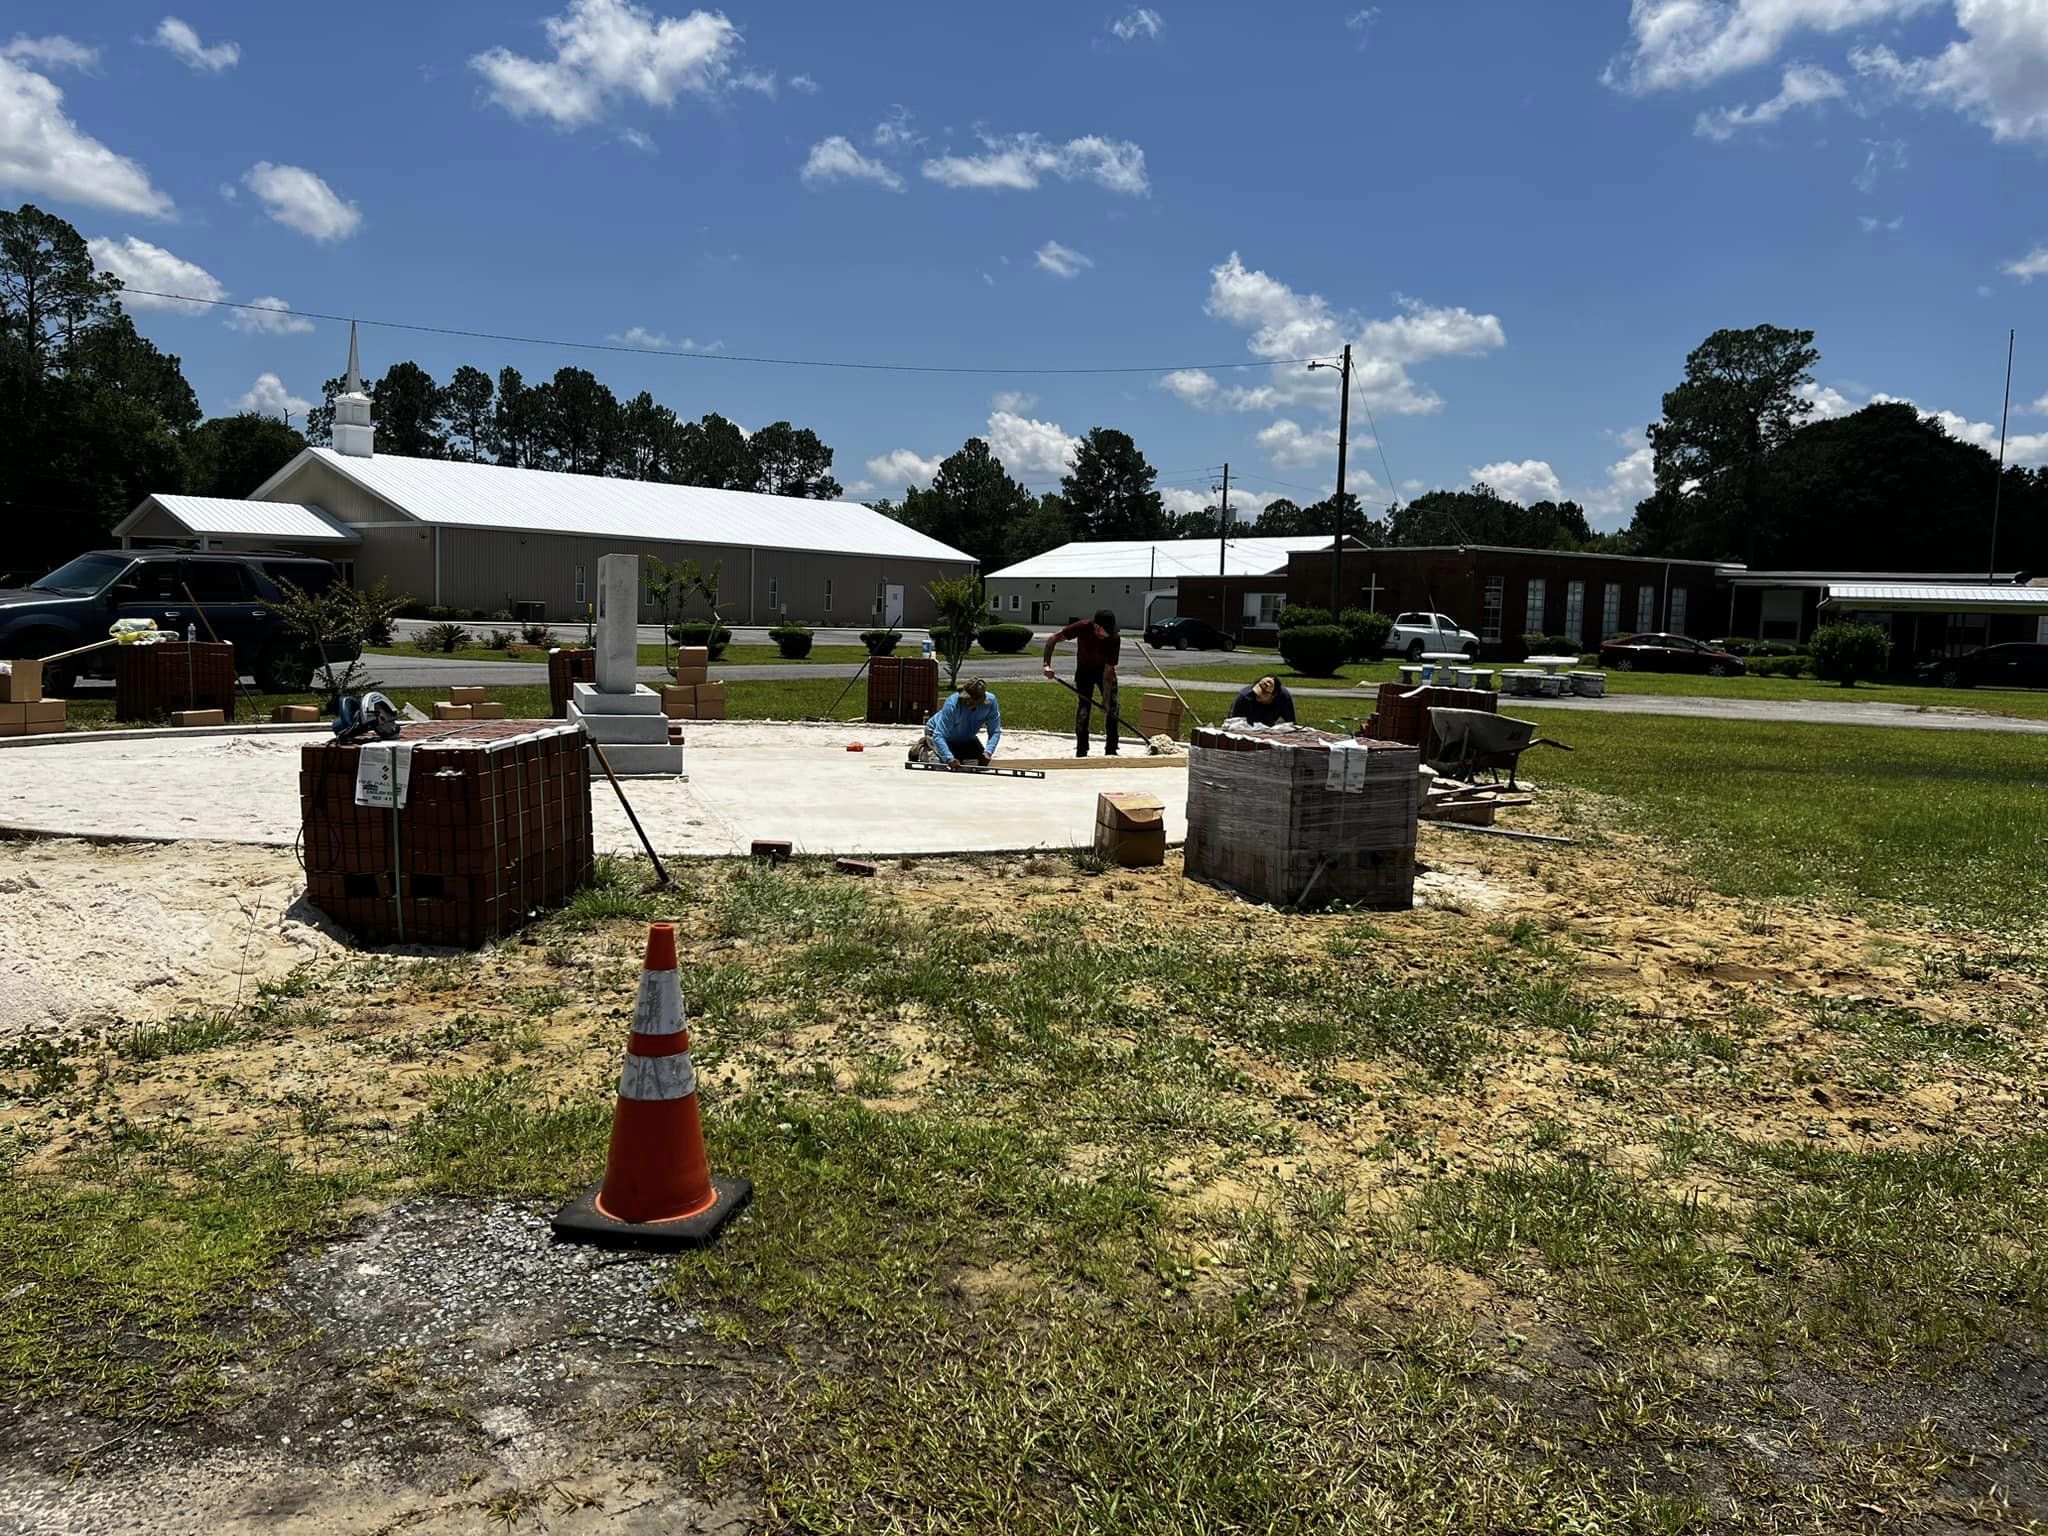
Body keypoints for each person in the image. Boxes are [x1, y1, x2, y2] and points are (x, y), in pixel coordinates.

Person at [1043, 608, 1121, 757]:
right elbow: (1053, 639)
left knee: (1113, 708)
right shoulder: (1082, 627)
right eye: (1107, 630)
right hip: (1084, 672)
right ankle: (1081, 749)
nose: (1110, 633)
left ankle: (1111, 750)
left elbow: (1108, 674)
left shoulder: (1114, 639)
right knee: (1084, 710)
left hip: (1103, 672)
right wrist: (1047, 665)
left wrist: (1105, 700)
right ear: (1097, 627)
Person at [918, 677, 1003, 766]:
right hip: (936, 733)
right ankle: (922, 751)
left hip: (965, 738)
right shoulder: (952, 704)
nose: (966, 702)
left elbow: (995, 731)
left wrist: (988, 752)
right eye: (965, 698)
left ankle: (955, 752)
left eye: (970, 700)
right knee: (939, 764)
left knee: (977, 763)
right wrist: (949, 758)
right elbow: (939, 734)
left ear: (980, 700)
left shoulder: (991, 703)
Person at [1229, 674, 1296, 726]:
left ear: (1273, 696)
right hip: (1245, 727)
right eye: (1257, 693)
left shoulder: (1284, 698)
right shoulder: (1244, 696)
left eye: (1262, 695)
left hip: (1268, 727)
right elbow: (1233, 723)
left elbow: (1291, 723)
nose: (1257, 697)